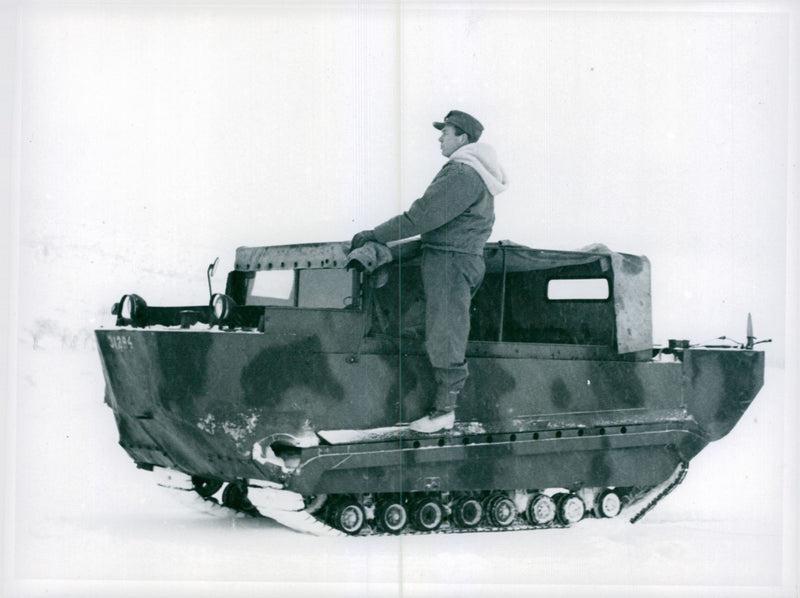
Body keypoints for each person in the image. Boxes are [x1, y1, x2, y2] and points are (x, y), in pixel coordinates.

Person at [351, 110, 508, 433]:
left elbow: (421, 217)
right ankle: (426, 402)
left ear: (462, 138)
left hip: (450, 262)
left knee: (444, 333)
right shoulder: (466, 171)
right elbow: (432, 230)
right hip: (445, 257)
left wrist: (375, 235)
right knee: (426, 326)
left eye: (446, 132)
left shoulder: (463, 173)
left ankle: (444, 412)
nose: (440, 137)